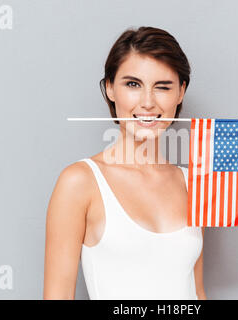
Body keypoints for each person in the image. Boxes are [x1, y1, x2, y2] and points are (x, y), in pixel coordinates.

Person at [43, 26, 206, 300]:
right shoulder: (80, 182)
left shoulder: (195, 182)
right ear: (110, 88)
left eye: (163, 87)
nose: (147, 102)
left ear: (181, 92)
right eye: (133, 84)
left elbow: (197, 292)